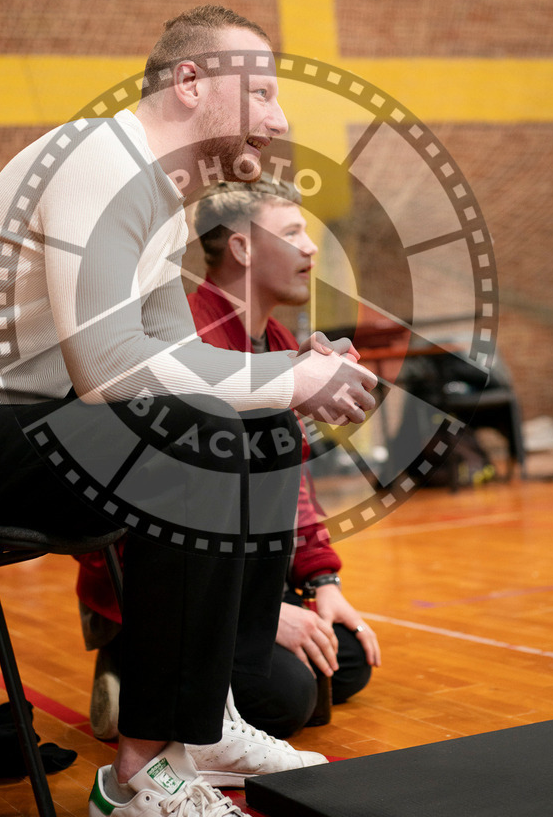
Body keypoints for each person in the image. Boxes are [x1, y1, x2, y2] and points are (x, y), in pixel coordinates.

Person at [0, 5, 377, 817]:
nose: (280, 116)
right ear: (190, 84)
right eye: (260, 92)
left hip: (19, 433)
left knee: (253, 426)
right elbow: (111, 372)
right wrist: (286, 377)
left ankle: (210, 717)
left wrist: (292, 371)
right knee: (185, 442)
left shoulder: (161, 202)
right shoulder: (95, 158)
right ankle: (136, 774)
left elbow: (180, 359)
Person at [77, 174, 381, 743]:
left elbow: (291, 483)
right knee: (293, 698)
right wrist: (261, 614)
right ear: (241, 247)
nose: (312, 247)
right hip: (166, 577)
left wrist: (322, 584)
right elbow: (164, 504)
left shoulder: (273, 337)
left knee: (344, 662)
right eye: (292, 232)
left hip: (240, 572)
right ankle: (126, 659)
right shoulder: (189, 335)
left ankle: (196, 664)